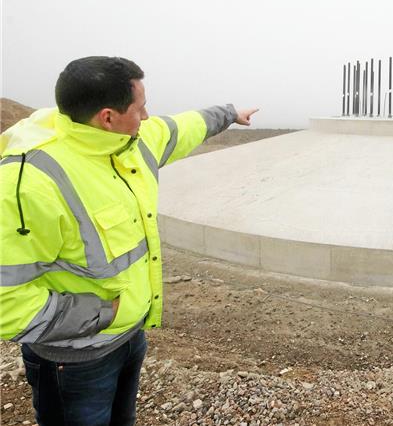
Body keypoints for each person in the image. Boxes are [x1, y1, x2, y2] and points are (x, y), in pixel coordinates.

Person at [0, 56, 258, 425]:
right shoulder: (31, 183)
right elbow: (7, 302)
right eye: (140, 107)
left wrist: (230, 113)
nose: (148, 116)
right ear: (107, 117)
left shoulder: (129, 144)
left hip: (128, 341)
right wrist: (106, 314)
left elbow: (182, 127)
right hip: (72, 363)